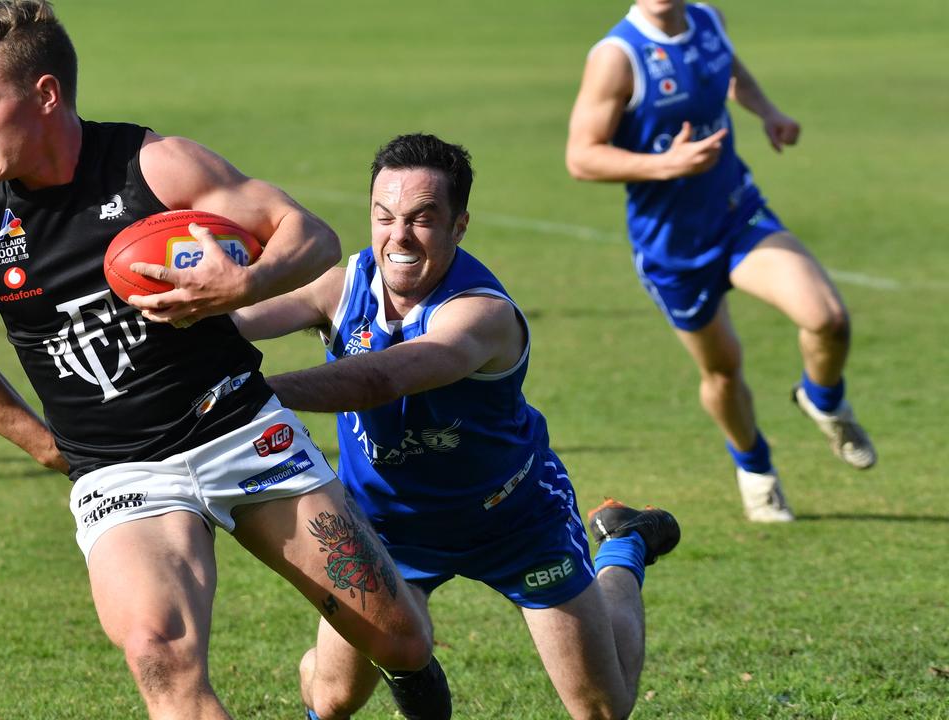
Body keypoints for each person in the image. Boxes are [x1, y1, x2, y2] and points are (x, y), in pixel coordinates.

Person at [0, 3, 450, 719]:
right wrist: (47, 445)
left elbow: (310, 236)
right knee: (159, 654)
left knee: (402, 639)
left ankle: (406, 682)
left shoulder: (154, 166)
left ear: (44, 95)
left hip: (240, 430)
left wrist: (245, 282)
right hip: (121, 472)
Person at [232, 133, 680, 720]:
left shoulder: (481, 313)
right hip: (387, 528)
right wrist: (187, 304)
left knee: (602, 709)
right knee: (332, 698)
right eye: (384, 216)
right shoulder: (342, 286)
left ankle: (623, 544)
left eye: (422, 218)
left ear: (459, 225)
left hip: (513, 520)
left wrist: (251, 395)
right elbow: (234, 324)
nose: (399, 236)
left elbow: (383, 379)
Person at [565, 0, 876, 522]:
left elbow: (729, 70)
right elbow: (582, 155)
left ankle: (824, 400)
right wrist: (666, 164)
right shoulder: (616, 56)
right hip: (673, 248)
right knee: (724, 371)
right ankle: (756, 470)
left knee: (828, 319)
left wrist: (768, 112)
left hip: (737, 215)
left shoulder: (710, 20)